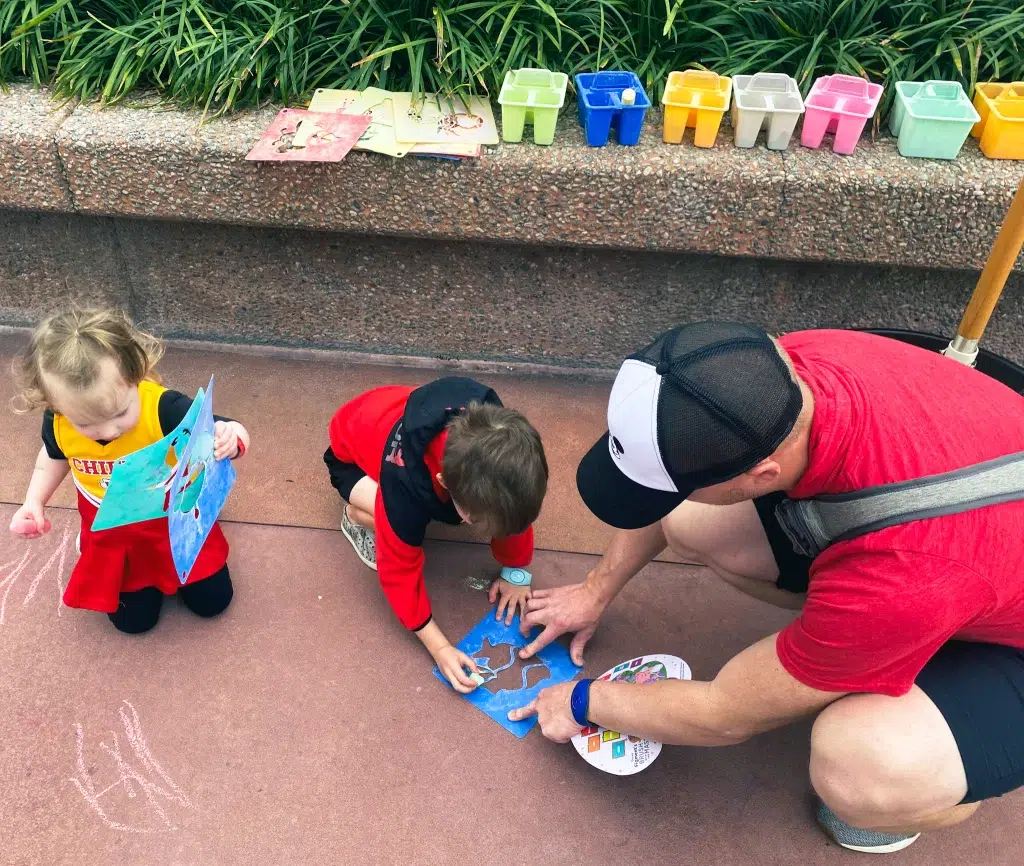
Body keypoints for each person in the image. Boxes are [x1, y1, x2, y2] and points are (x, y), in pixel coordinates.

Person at [510, 322, 1024, 855]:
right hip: (959, 554)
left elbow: (724, 714)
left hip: (999, 636)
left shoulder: (901, 573)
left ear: (761, 473)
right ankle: (863, 648)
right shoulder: (775, 364)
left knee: (863, 766)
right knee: (691, 522)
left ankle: (930, 786)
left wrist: (584, 699)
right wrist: (595, 590)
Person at [9, 308, 250, 634]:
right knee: (133, 623)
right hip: (115, 532)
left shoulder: (163, 407)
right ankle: (118, 568)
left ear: (136, 374)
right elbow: (52, 459)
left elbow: (221, 425)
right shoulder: (59, 421)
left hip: (170, 523)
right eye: (86, 423)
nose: (107, 431)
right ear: (54, 404)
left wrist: (232, 437)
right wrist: (33, 502)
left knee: (214, 601)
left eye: (120, 413)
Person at [324, 377, 548, 692]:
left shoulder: (500, 445)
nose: (485, 529)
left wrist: (516, 571)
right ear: (443, 481)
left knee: (493, 504)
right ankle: (354, 517)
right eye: (476, 519)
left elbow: (513, 511)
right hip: (351, 459)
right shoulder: (403, 483)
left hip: (391, 411)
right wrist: (440, 648)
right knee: (394, 521)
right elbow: (398, 570)